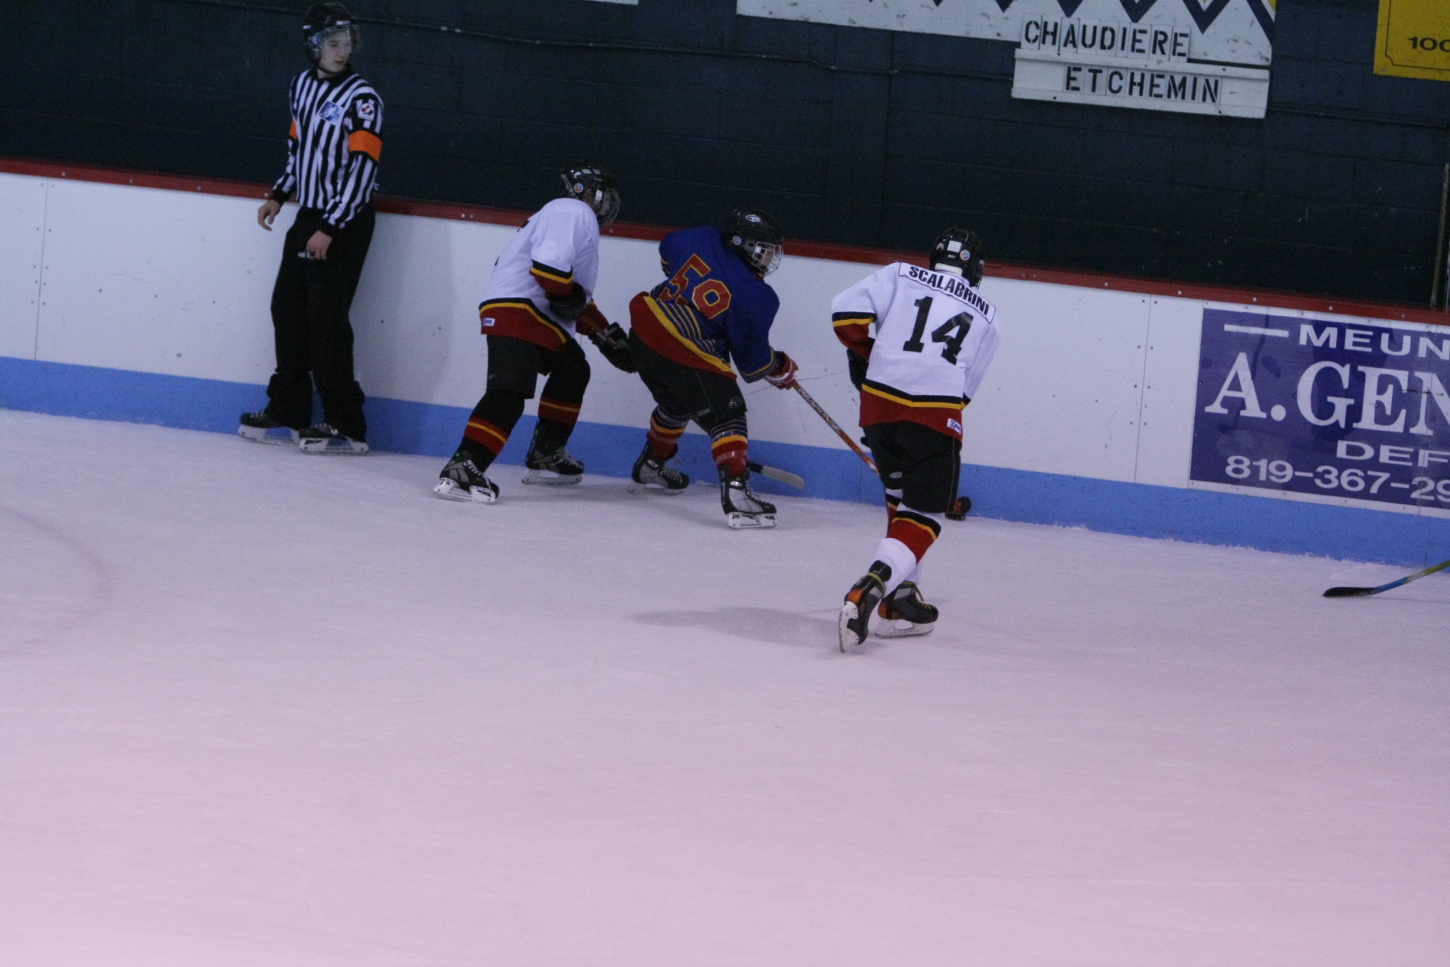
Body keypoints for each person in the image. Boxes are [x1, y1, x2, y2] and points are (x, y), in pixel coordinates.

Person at [832, 228, 1002, 649]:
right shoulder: (988, 315)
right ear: (975, 269)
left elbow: (844, 315)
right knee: (926, 516)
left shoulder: (900, 273)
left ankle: (901, 597)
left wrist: (873, 355)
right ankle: (873, 587)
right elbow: (964, 392)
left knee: (901, 503)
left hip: (878, 409)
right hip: (933, 415)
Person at [433, 164, 634, 503]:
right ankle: (464, 467)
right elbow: (550, 271)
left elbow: (571, 295)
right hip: (520, 310)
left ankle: (547, 451)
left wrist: (606, 336)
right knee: (509, 392)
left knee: (573, 368)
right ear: (588, 192)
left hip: (530, 312)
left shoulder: (564, 215)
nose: (607, 203)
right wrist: (569, 297)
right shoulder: (572, 209)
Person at [239, 3, 381, 454]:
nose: (342, 51)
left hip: (345, 220)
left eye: (346, 42)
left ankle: (346, 421)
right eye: (332, 43)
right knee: (287, 310)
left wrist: (332, 226)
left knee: (326, 321)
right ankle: (289, 408)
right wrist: (278, 195)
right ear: (314, 45)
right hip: (309, 217)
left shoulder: (363, 99)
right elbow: (297, 150)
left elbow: (363, 168)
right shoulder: (301, 85)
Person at [623, 207, 799, 528]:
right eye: (765, 249)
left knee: (677, 404)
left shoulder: (702, 237)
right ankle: (737, 493)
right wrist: (779, 365)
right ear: (743, 243)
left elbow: (667, 253)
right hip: (680, 341)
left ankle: (651, 464)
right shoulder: (758, 296)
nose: (771, 257)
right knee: (728, 414)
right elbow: (752, 363)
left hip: (643, 333)